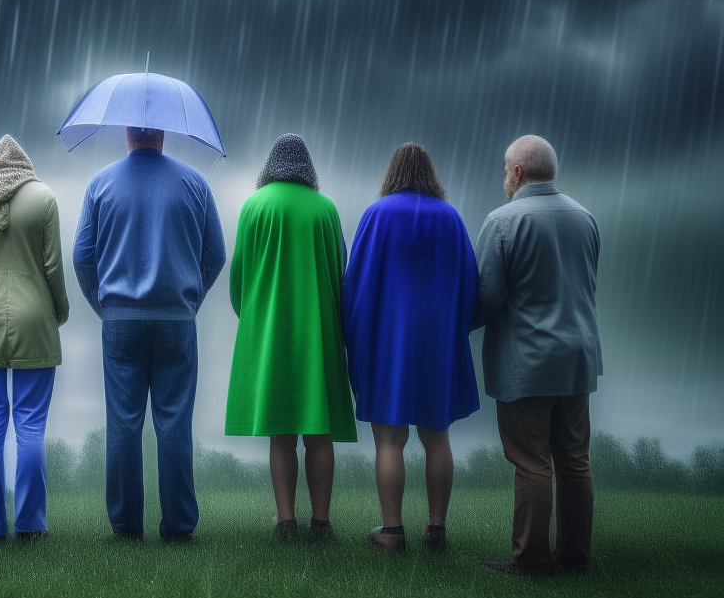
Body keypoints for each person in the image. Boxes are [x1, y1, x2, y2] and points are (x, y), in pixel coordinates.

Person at [73, 126, 226, 542]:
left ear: (127, 134)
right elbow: (216, 253)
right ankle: (178, 527)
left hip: (120, 319)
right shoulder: (195, 183)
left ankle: (125, 526)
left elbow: (82, 258)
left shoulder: (100, 183)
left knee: (123, 424)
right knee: (174, 423)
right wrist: (190, 299)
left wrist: (102, 305)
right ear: (163, 133)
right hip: (177, 319)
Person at [474, 135, 602, 576]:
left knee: (531, 462)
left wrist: (448, 323)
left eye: (504, 171)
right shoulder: (585, 218)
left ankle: (530, 561)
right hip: (578, 357)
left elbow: (486, 299)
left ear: (517, 173)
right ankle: (574, 559)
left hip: (527, 361)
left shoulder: (503, 220)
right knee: (574, 459)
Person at [342, 142, 480, 553]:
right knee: (437, 437)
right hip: (437, 343)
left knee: (389, 440)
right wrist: (455, 328)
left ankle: (392, 532)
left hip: (388, 342)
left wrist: (357, 335)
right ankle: (436, 530)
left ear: (392, 173)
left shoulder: (376, 215)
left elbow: (355, 288)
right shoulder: (451, 218)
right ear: (431, 174)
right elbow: (472, 287)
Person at [225, 134, 356, 541]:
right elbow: (341, 273)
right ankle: (321, 522)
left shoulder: (254, 206)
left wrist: (255, 317)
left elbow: (239, 280)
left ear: (270, 165)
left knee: (281, 434)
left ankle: (286, 522)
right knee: (318, 433)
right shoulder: (326, 209)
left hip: (270, 334)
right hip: (317, 332)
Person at [0, 135, 69, 540]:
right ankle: (30, 524)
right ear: (25, 164)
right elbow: (53, 266)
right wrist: (62, 309)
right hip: (36, 320)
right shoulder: (45, 198)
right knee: (31, 426)